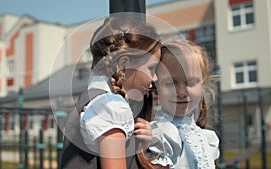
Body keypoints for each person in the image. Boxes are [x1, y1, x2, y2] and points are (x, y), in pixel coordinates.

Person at [61, 14, 162, 169]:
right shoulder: (111, 107)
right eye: (151, 68)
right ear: (123, 66)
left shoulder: (94, 99)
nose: (155, 78)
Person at [147, 40, 220, 169]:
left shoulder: (208, 139)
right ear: (156, 85)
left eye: (191, 82)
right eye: (171, 83)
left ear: (202, 84)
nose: (181, 92)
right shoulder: (159, 135)